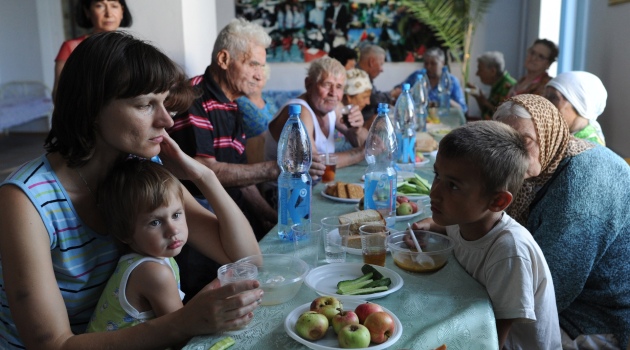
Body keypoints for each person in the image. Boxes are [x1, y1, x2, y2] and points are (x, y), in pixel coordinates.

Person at [0, 31, 263, 350]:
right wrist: (183, 322)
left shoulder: (138, 170)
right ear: (92, 108)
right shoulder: (25, 202)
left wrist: (204, 175)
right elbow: (51, 345)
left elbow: (245, 259)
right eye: (145, 105)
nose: (166, 119)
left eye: (165, 103)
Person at [168, 18, 323, 299]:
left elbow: (240, 176)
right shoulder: (194, 99)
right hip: (196, 226)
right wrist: (279, 169)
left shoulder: (233, 104)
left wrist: (270, 217)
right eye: (253, 64)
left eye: (261, 66)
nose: (259, 73)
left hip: (229, 218)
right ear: (224, 59)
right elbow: (205, 171)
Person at [493, 94, 630, 349]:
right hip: (573, 297)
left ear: (548, 133)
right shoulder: (549, 160)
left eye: (524, 142)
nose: (511, 155)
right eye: (503, 142)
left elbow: (552, 288)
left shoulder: (582, 181)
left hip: (595, 315)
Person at [410, 121, 561, 349]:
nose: (434, 192)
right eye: (437, 176)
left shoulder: (509, 251)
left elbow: (494, 336)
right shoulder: (465, 217)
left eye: (453, 186)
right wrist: (428, 226)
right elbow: (446, 228)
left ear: (497, 201)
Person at [86, 159, 187, 341]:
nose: (173, 230)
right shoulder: (152, 272)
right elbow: (183, 332)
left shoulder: (155, 258)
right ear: (125, 234)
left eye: (176, 215)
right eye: (155, 222)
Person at [265, 57, 367, 168]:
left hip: (316, 182)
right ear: (308, 84)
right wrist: (362, 152)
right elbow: (312, 163)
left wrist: (358, 130)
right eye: (327, 84)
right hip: (284, 184)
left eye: (339, 87)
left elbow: (368, 142)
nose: (333, 93)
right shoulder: (299, 112)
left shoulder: (334, 107)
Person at [53, 0, 132, 99]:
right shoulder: (72, 47)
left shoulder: (131, 47)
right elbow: (58, 93)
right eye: (100, 6)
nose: (109, 13)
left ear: (122, 12)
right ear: (87, 12)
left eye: (114, 6)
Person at [394, 47, 467, 113]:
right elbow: (397, 91)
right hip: (419, 118)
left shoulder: (452, 81)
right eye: (426, 63)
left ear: (442, 63)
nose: (428, 67)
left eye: (433, 63)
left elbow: (462, 109)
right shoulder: (417, 76)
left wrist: (445, 99)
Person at [544, 71, 607, 146]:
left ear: (580, 105)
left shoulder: (588, 147)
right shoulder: (559, 136)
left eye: (553, 97)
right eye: (545, 97)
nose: (544, 103)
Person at [235, 64, 277, 164]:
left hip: (273, 152)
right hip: (254, 156)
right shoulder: (240, 102)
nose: (256, 78)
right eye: (252, 76)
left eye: (260, 77)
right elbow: (265, 134)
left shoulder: (269, 101)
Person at [466, 51, 517, 120]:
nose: (477, 74)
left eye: (480, 69)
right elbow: (487, 114)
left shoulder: (509, 86)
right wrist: (479, 98)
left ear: (493, 71)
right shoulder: (496, 84)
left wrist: (485, 102)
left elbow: (504, 117)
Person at [356, 44, 391, 124]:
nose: (382, 70)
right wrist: (391, 94)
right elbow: (374, 99)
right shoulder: (356, 77)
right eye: (381, 64)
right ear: (371, 62)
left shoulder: (366, 77)